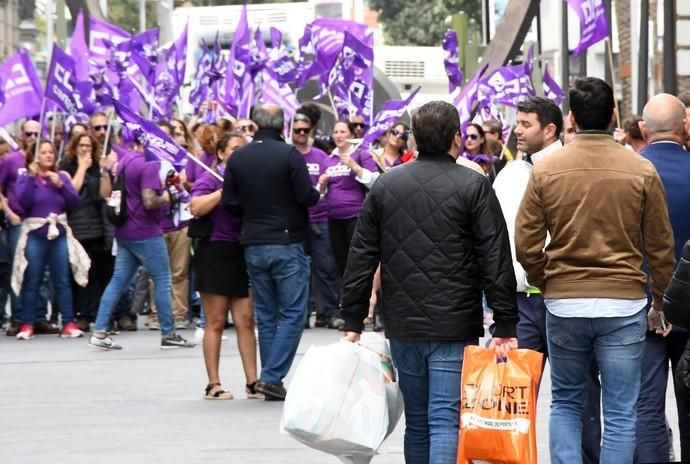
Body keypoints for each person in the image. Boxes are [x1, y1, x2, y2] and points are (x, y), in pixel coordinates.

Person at [340, 100, 518, 464]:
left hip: (403, 321)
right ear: (455, 137)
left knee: (418, 422)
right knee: (445, 420)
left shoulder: (387, 185)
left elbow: (361, 255)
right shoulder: (474, 185)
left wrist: (353, 318)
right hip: (454, 321)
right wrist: (505, 320)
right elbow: (495, 255)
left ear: (414, 139)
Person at [515, 77, 676, 463]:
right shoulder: (640, 170)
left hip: (564, 301)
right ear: (614, 115)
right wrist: (659, 301)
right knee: (621, 410)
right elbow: (660, 245)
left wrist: (545, 280)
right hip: (623, 303)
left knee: (567, 402)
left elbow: (525, 242)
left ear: (571, 118)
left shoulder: (546, 169)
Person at [493, 96, 602, 463]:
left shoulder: (573, 170)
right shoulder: (508, 175)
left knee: (579, 397)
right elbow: (498, 240)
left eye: (525, 125)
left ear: (550, 129)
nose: (517, 132)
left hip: (567, 298)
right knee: (513, 401)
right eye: (517, 124)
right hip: (520, 303)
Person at [222, 104, 319, 400]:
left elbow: (230, 202)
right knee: (292, 312)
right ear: (283, 125)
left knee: (266, 314)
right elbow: (307, 196)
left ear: (255, 124)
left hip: (254, 241)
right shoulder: (289, 155)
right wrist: (315, 193)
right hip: (287, 240)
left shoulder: (238, 158)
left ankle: (270, 377)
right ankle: (272, 376)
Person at [88, 141, 195, 350]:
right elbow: (149, 200)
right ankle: (168, 333)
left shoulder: (127, 160)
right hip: (145, 231)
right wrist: (170, 194)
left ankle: (99, 331)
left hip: (125, 230)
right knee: (163, 279)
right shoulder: (150, 164)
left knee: (118, 280)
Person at [635, 93, 690, 462]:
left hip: (642, 307)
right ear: (684, 125)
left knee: (646, 407)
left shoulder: (630, 171)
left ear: (643, 128)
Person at [190, 133, 260, 400]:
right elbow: (196, 206)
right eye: (234, 149)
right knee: (216, 320)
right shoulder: (210, 177)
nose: (239, 153)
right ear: (220, 154)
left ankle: (252, 381)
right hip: (215, 251)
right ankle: (213, 383)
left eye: (243, 149)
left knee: (245, 320)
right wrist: (222, 191)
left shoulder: (249, 180)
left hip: (242, 251)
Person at [9, 139, 86, 339]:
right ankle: (27, 324)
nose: (48, 155)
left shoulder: (60, 177)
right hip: (36, 235)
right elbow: (22, 204)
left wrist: (62, 186)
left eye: (51, 152)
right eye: (43, 152)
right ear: (34, 156)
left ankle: (68, 322)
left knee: (62, 280)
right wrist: (32, 179)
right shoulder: (26, 178)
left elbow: (74, 202)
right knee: (32, 279)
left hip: (58, 234)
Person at [0, 120, 57, 336]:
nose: (32, 137)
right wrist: (8, 212)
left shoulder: (45, 161)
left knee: (41, 272)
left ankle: (39, 317)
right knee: (19, 270)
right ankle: (19, 318)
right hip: (18, 222)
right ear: (22, 135)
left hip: (39, 222)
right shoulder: (11, 161)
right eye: (29, 134)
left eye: (36, 133)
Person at [291, 113, 343, 330]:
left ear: (311, 130)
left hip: (321, 218)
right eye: (297, 130)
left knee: (327, 269)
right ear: (291, 132)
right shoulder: (288, 155)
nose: (302, 133)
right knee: (297, 272)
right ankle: (301, 315)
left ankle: (331, 312)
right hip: (297, 220)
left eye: (305, 129)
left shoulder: (321, 155)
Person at [59, 133, 114, 332]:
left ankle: (101, 315)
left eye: (89, 146)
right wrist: (82, 167)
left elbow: (104, 194)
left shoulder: (97, 167)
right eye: (81, 145)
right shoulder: (66, 166)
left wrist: (105, 172)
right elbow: (71, 191)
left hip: (99, 228)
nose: (85, 150)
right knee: (82, 274)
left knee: (102, 273)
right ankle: (83, 314)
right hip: (78, 227)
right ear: (75, 147)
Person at [322, 121, 379, 277]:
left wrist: (355, 166)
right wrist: (321, 185)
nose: (339, 135)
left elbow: (376, 182)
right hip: (333, 218)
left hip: (355, 217)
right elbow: (322, 194)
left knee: (357, 262)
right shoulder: (328, 159)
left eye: (343, 132)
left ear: (352, 135)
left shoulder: (362, 154)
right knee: (341, 263)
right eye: (336, 132)